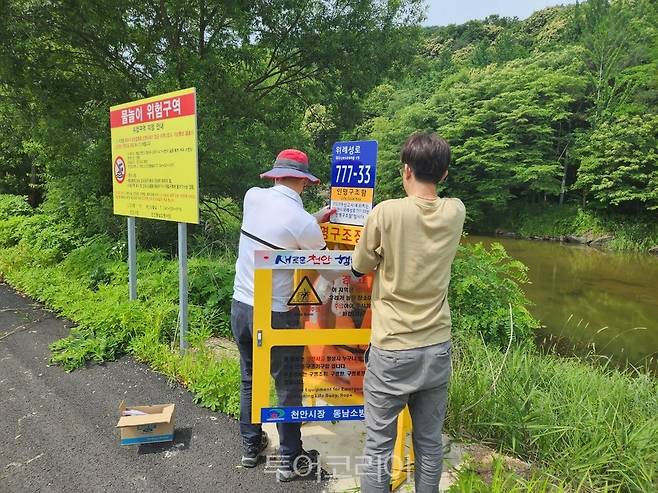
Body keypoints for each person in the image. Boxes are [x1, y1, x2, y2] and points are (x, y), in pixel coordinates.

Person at [352, 132, 465, 493]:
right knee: (430, 443)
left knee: (378, 447)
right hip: (437, 347)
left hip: (393, 348)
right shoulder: (455, 211)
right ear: (444, 174)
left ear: (406, 171)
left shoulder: (387, 212)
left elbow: (359, 266)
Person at [231, 148, 335, 481]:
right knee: (289, 385)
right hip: (276, 314)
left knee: (250, 377)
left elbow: (278, 229)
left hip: (241, 307)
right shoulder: (302, 223)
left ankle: (250, 447)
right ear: (304, 182)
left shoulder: (252, 197)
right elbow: (329, 270)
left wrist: (313, 220)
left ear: (275, 175)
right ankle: (290, 458)